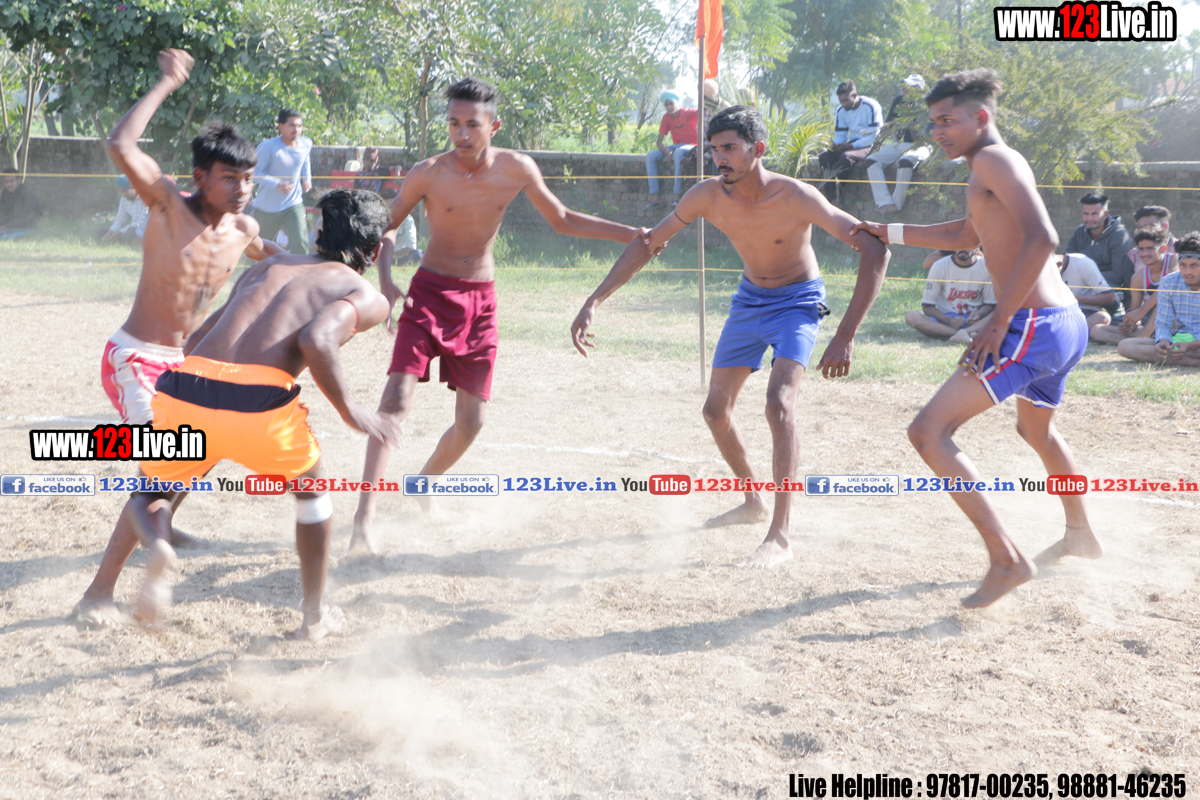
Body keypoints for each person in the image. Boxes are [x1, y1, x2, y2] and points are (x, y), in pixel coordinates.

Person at [573, 106, 889, 568]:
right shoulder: (706, 195)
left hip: (799, 301)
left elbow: (874, 248)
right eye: (713, 149)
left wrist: (846, 334)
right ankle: (753, 501)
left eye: (728, 148)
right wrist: (594, 300)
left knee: (779, 405)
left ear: (757, 149)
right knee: (715, 411)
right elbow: (649, 242)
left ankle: (780, 536)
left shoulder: (795, 196)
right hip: (748, 300)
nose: (718, 158)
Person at [348, 76, 646, 556]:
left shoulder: (517, 169)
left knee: (472, 423)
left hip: (480, 303)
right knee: (394, 401)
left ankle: (424, 483)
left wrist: (629, 233)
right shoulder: (428, 173)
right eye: (453, 124)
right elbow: (386, 227)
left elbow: (562, 220)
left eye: (471, 124)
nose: (461, 134)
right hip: (427, 295)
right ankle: (364, 517)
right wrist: (385, 279)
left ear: (494, 126)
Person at [81, 188, 399, 637]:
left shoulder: (268, 266)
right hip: (258, 405)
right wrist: (351, 411)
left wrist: (206, 398)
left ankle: (99, 592)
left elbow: (198, 337)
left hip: (186, 385)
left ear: (319, 233)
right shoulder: (366, 293)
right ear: (375, 251)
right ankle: (314, 618)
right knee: (312, 495)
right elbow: (316, 338)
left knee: (153, 488)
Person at [852, 69, 1101, 608]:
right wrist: (887, 231)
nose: (937, 132)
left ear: (980, 117)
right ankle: (1080, 533)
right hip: (1063, 322)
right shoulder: (992, 164)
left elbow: (1044, 238)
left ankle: (1007, 559)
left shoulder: (992, 160)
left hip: (1031, 326)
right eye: (933, 122)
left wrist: (998, 320)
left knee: (928, 432)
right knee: (1036, 431)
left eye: (947, 121)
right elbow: (968, 234)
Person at [74, 48, 284, 628]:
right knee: (161, 465)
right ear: (200, 178)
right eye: (230, 178)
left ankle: (156, 527)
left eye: (249, 178)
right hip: (135, 358)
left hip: (183, 366)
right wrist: (166, 82)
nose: (242, 188)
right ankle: (111, 583)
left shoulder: (243, 228)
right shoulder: (167, 204)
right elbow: (121, 145)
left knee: (191, 458)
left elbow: (272, 255)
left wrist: (329, 268)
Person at [1117, 231, 1200, 367]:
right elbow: (1163, 323)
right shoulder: (1169, 282)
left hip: (1195, 345)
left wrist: (1190, 346)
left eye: (1194, 265)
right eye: (1183, 265)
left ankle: (1181, 359)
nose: (1188, 271)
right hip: (1179, 340)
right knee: (1125, 346)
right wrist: (1163, 341)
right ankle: (1190, 361)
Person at [1091, 227, 1174, 344]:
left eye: (1150, 249)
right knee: (1097, 330)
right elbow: (1136, 315)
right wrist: (1129, 325)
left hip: (1178, 320)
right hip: (1151, 324)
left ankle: (1142, 340)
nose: (1144, 254)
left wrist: (1143, 310)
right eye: (1141, 249)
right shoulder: (1138, 277)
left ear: (1163, 248)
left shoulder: (1174, 261)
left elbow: (1168, 287)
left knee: (1163, 304)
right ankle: (1146, 340)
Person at [866, 74, 932, 214]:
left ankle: (895, 205)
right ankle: (884, 202)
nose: (905, 90)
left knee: (905, 160)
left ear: (919, 90)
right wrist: (875, 147)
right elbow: (888, 126)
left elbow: (919, 140)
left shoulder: (927, 105)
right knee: (871, 160)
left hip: (923, 146)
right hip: (901, 144)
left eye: (910, 88)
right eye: (905, 87)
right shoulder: (899, 101)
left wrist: (910, 117)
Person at [252, 108, 313, 255]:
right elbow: (253, 173)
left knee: (301, 242)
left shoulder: (306, 144)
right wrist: (277, 184)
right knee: (258, 248)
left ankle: (301, 269)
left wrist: (307, 178)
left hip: (293, 203)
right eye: (292, 125)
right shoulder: (268, 146)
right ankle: (250, 269)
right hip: (267, 208)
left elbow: (305, 159)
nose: (296, 129)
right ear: (280, 126)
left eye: (299, 125)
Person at [904, 247, 995, 343]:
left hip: (974, 321)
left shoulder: (986, 266)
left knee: (1000, 313)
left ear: (978, 246)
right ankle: (962, 334)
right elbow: (927, 307)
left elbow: (990, 304)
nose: (963, 248)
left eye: (968, 244)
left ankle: (963, 333)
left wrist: (979, 314)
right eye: (959, 244)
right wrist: (948, 320)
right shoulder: (939, 266)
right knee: (911, 316)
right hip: (944, 320)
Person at [1063, 192, 1134, 314]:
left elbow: (1118, 275)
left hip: (1109, 289)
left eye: (1094, 214)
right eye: (1086, 214)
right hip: (1080, 286)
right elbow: (1068, 262)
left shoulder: (1120, 235)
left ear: (1106, 214)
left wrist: (1086, 277)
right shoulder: (1079, 232)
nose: (1089, 219)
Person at [816, 80, 883, 203]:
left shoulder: (871, 106)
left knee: (845, 157)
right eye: (841, 101)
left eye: (846, 100)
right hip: (852, 144)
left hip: (870, 145)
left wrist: (850, 146)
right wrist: (834, 144)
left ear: (855, 96)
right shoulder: (841, 110)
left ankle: (837, 193)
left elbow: (873, 137)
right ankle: (832, 197)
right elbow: (841, 135)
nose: (843, 104)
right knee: (824, 157)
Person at [645, 91, 698, 210]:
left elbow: (705, 110)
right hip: (677, 145)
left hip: (692, 145)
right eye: (666, 104)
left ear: (677, 103)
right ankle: (655, 196)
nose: (669, 107)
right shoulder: (666, 117)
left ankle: (677, 196)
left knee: (678, 153)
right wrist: (666, 152)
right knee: (651, 156)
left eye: (671, 104)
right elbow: (659, 142)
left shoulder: (687, 113)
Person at [1054, 251, 1116, 337]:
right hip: (1056, 314)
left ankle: (1064, 333)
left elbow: (1109, 297)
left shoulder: (1082, 263)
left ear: (1059, 264)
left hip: (1085, 311)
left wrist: (1073, 299)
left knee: (1102, 317)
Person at [1124, 205, 1176, 275]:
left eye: (1151, 227)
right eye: (1142, 228)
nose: (1146, 231)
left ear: (1165, 226)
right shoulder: (1133, 256)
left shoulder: (1181, 249)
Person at [101, 175, 149, 244]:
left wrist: (119, 232)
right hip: (132, 229)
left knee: (131, 231)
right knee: (100, 233)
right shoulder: (124, 199)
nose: (123, 194)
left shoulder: (146, 198)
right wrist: (110, 232)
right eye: (121, 192)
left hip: (146, 230)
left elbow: (141, 223)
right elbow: (120, 219)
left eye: (125, 191)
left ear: (134, 187)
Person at [0, 169, 43, 240]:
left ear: (19, 180)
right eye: (6, 182)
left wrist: (5, 226)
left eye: (12, 181)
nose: (9, 184)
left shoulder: (28, 195)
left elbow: (25, 220)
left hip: (28, 227)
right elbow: (2, 213)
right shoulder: (5, 193)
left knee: (1, 234)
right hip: (10, 226)